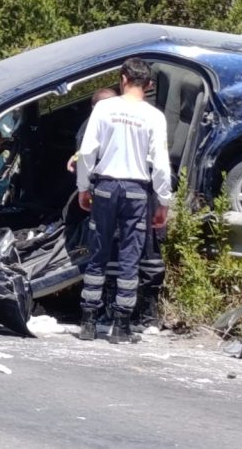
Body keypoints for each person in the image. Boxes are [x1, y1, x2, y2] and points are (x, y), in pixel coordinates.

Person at [75, 58, 172, 344]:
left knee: (99, 250)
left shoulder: (105, 107)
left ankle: (88, 323)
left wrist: (83, 187)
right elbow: (162, 165)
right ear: (149, 85)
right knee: (131, 254)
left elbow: (88, 150)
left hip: (105, 187)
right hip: (136, 191)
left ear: (122, 79)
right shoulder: (154, 116)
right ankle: (121, 326)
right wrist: (163, 202)